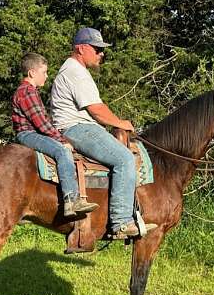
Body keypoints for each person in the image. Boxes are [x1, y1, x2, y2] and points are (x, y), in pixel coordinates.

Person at [50, 28, 156, 237]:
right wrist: (121, 123)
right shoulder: (75, 72)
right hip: (77, 128)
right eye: (97, 49)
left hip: (77, 125)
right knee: (124, 158)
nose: (101, 54)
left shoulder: (74, 70)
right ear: (81, 48)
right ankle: (121, 222)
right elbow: (96, 109)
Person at [12, 52, 98, 217]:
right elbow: (42, 124)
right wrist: (62, 140)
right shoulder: (27, 92)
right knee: (62, 151)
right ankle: (71, 200)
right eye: (43, 72)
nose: (46, 76)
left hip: (30, 132)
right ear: (32, 73)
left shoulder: (28, 91)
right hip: (28, 134)